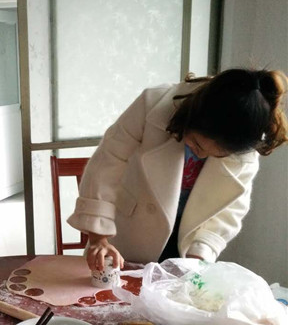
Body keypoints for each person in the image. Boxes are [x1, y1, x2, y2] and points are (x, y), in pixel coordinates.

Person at [68, 68, 288, 272]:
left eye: (217, 155)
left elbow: (231, 209)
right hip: (130, 228)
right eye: (197, 144)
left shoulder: (246, 144)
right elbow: (108, 161)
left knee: (172, 297)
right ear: (188, 119)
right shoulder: (154, 103)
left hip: (188, 238)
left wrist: (200, 252)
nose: (201, 155)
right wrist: (98, 238)